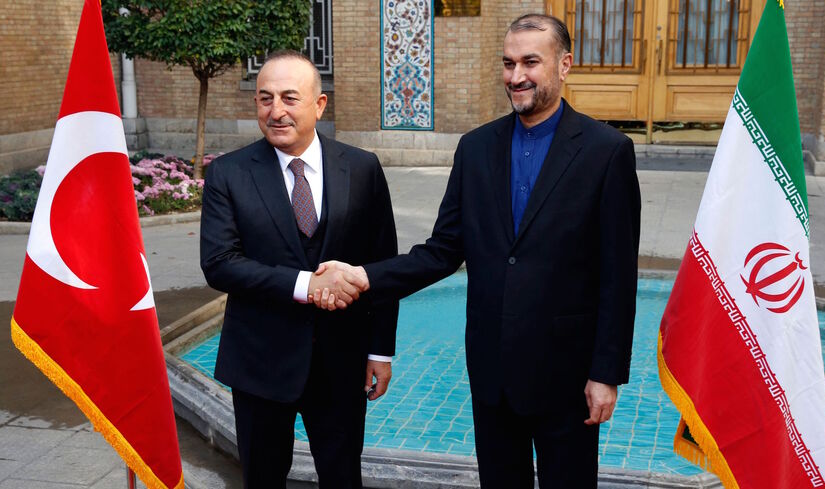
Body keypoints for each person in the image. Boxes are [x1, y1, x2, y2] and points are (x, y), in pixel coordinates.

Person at [313, 14, 641, 488]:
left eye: (531, 62)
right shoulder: (475, 148)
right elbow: (443, 250)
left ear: (564, 64)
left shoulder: (607, 152)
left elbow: (617, 274)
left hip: (566, 377)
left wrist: (606, 374)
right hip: (493, 373)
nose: (516, 76)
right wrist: (367, 277)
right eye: (508, 63)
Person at [199, 50, 399, 489]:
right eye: (265, 98)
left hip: (341, 364)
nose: (276, 111)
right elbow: (219, 264)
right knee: (263, 478)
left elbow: (382, 263)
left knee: (343, 476)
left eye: (290, 97)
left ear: (319, 104)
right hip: (259, 365)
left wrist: (380, 351)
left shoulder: (362, 168)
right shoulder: (228, 174)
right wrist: (307, 284)